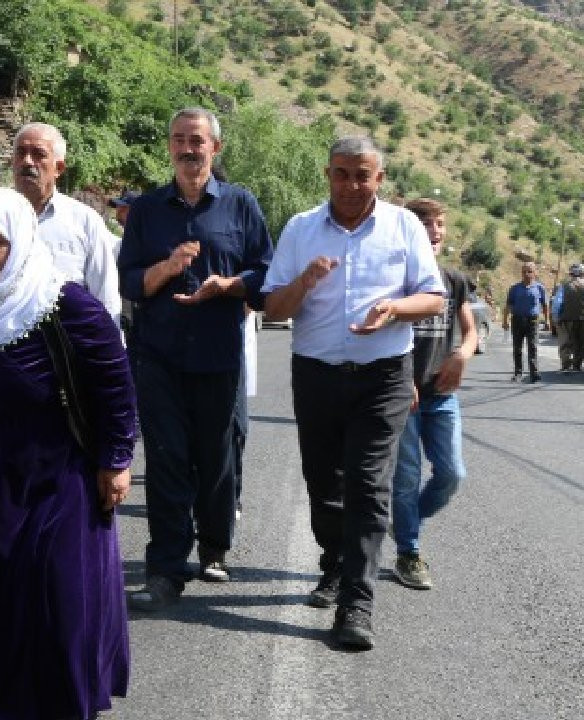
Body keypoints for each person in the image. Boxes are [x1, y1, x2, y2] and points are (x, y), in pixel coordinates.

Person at [0, 187, 135, 719]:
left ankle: (60, 697)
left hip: (54, 468)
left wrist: (115, 460)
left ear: (19, 241)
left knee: (51, 588)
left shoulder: (62, 302)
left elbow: (113, 380)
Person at [261, 136, 445, 650]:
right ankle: (335, 562)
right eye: (342, 173)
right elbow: (273, 308)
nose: (351, 184)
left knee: (368, 486)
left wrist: (393, 310)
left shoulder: (404, 226)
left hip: (383, 374)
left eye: (362, 175)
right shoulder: (301, 228)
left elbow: (432, 298)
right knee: (323, 484)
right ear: (327, 174)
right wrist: (305, 281)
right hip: (316, 373)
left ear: (379, 179)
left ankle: (356, 605)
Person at [119, 107, 273, 609]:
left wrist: (226, 286)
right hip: (157, 356)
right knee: (165, 461)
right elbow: (129, 282)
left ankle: (214, 546)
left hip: (218, 354)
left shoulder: (242, 205)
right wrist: (168, 267)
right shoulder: (146, 209)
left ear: (215, 148)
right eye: (179, 139)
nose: (188, 149)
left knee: (216, 459)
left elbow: (266, 275)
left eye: (198, 140)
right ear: (169, 147)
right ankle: (164, 569)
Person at [390, 197, 477, 591]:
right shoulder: (397, 277)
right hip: (404, 393)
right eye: (425, 223)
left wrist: (462, 352)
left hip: (441, 394)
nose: (435, 230)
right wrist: (401, 375)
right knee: (406, 478)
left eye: (440, 223)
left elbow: (471, 329)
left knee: (451, 474)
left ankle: (404, 522)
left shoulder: (454, 280)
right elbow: (388, 331)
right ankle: (408, 552)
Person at [10, 122, 122, 323]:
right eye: (21, 153)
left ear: (58, 168)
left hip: (67, 346)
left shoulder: (84, 222)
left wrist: (109, 349)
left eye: (38, 154)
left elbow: (105, 297)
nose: (27, 161)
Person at [501, 262, 549, 383]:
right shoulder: (515, 288)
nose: (526, 274)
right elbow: (508, 305)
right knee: (517, 348)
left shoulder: (539, 288)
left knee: (532, 347)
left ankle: (534, 373)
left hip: (532, 321)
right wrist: (505, 320)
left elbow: (545, 305)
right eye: (524, 272)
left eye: (529, 271)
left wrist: (547, 320)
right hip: (517, 320)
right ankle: (518, 373)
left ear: (535, 273)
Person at [555, 263, 584, 372]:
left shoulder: (564, 286)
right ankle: (577, 365)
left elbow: (558, 303)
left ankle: (566, 365)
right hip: (582, 319)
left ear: (571, 273)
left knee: (565, 341)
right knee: (580, 342)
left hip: (567, 318)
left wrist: (556, 317)